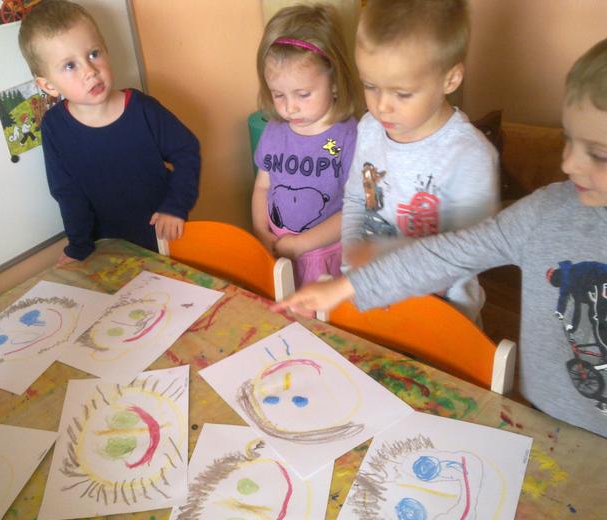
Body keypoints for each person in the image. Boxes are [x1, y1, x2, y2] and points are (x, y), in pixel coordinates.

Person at [273, 38, 607, 438]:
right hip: (544, 417)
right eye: (567, 139)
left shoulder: (468, 151)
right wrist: (347, 285)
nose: (568, 164)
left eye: (599, 154)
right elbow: (444, 254)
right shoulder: (546, 211)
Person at [341, 0, 499, 321]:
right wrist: (352, 263)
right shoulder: (369, 130)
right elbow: (356, 200)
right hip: (372, 298)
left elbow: (466, 254)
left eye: (402, 94)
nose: (382, 106)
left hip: (441, 315)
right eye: (370, 86)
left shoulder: (469, 156)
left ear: (450, 80)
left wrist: (380, 269)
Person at [18, 0, 200, 264]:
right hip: (109, 251)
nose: (90, 71)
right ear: (48, 86)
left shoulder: (143, 109)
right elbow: (67, 193)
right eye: (70, 66)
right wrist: (79, 247)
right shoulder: (54, 127)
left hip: (166, 238)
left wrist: (175, 207)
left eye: (94, 54)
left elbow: (187, 151)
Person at [252, 4, 364, 287]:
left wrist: (301, 244)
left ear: (334, 82)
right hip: (277, 251)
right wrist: (260, 230)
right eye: (278, 95)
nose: (290, 107)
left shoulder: (347, 138)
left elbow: (356, 210)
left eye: (303, 94)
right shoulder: (274, 131)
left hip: (326, 258)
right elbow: (262, 187)